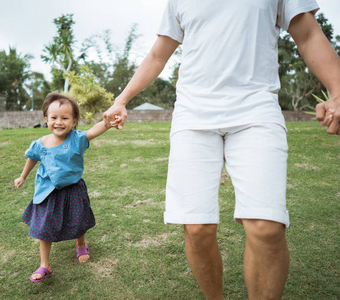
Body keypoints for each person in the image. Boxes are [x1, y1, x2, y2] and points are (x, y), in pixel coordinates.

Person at [103, 0, 340, 299]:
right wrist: (121, 99)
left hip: (256, 108)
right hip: (193, 114)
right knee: (197, 227)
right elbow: (157, 54)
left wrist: (338, 89)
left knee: (266, 226)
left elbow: (307, 35)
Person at [14, 92, 114, 282]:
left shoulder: (77, 139)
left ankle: (81, 243)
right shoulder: (40, 143)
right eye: (53, 118)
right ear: (46, 119)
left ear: (74, 120)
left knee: (79, 220)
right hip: (48, 192)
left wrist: (107, 123)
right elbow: (32, 157)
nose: (58, 122)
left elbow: (93, 131)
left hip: (73, 189)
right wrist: (22, 176)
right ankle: (45, 265)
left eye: (65, 118)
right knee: (44, 227)